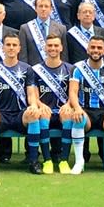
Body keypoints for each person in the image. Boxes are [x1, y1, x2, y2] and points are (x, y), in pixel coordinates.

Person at [0, 35, 43, 171]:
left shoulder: (27, 69)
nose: (11, 48)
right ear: (3, 48)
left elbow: (31, 93)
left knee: (33, 115)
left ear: (19, 48)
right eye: (8, 45)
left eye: (14, 45)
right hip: (1, 114)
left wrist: (33, 105)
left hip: (20, 114)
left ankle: (33, 161)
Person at [68, 35, 104, 173]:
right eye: (93, 47)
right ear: (87, 49)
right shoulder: (78, 68)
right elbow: (73, 92)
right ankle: (79, 162)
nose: (95, 50)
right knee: (78, 118)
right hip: (85, 110)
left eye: (99, 48)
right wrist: (77, 109)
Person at [30, 33, 75, 173]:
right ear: (45, 48)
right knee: (42, 115)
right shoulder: (36, 70)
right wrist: (40, 104)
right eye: (50, 45)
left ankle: (63, 160)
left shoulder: (70, 69)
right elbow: (33, 94)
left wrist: (68, 105)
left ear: (61, 47)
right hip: (46, 111)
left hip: (63, 110)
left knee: (68, 115)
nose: (53, 48)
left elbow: (74, 92)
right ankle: (47, 160)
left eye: (56, 45)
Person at [17, 0, 68, 68]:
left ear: (51, 9)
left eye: (46, 6)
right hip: (33, 71)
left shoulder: (61, 29)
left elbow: (64, 55)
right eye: (40, 6)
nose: (43, 9)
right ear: (35, 8)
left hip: (55, 72)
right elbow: (23, 56)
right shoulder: (25, 28)